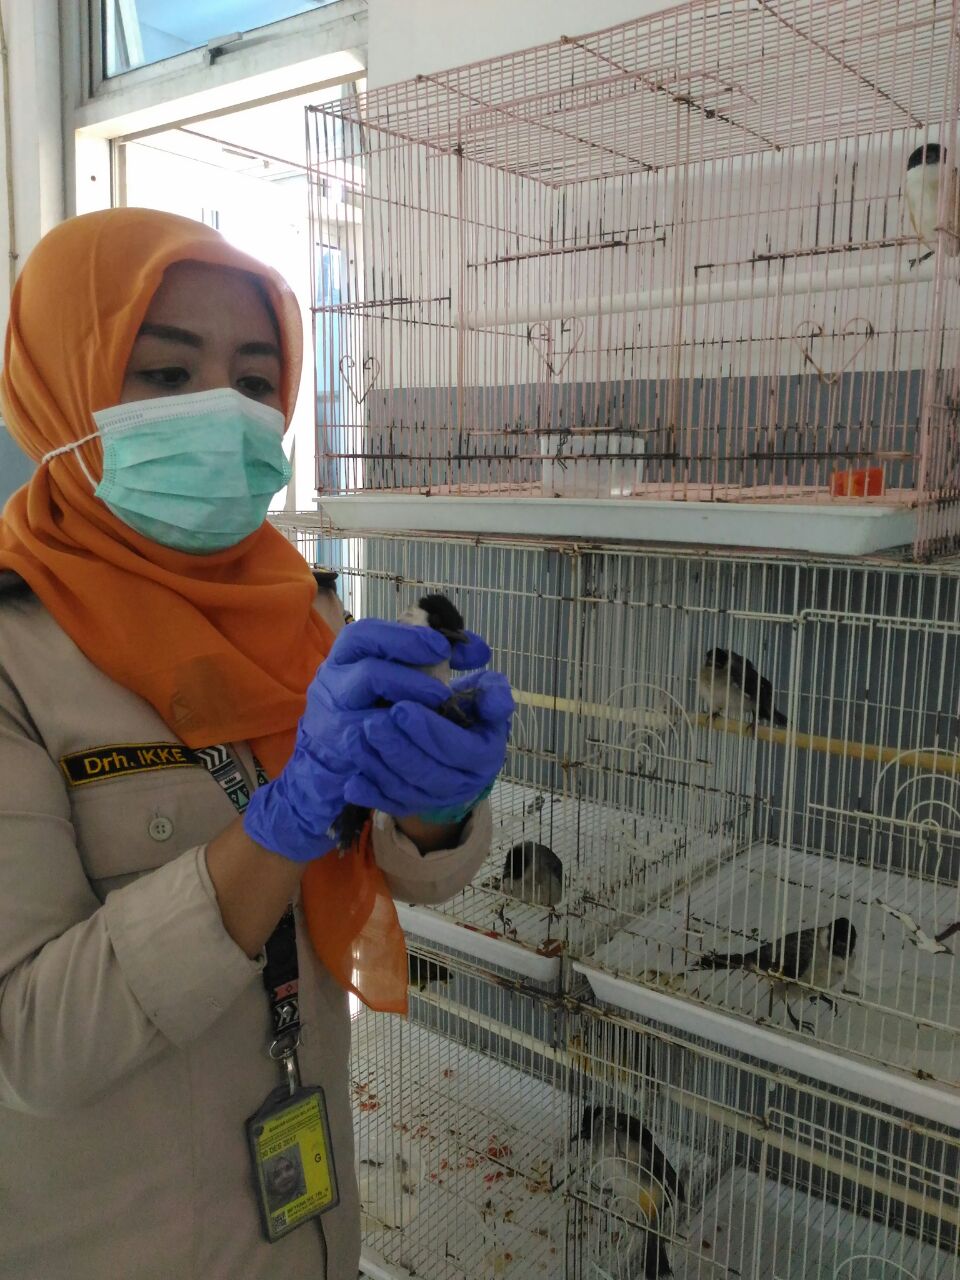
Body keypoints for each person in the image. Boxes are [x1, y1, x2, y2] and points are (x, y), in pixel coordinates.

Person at [0, 208, 513, 1278]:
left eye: (251, 381)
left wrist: (438, 808)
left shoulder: (299, 608)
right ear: (59, 385)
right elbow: (35, 1042)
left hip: (307, 1224)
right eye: (164, 371)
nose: (222, 415)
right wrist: (274, 831)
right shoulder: (18, 656)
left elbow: (394, 869)